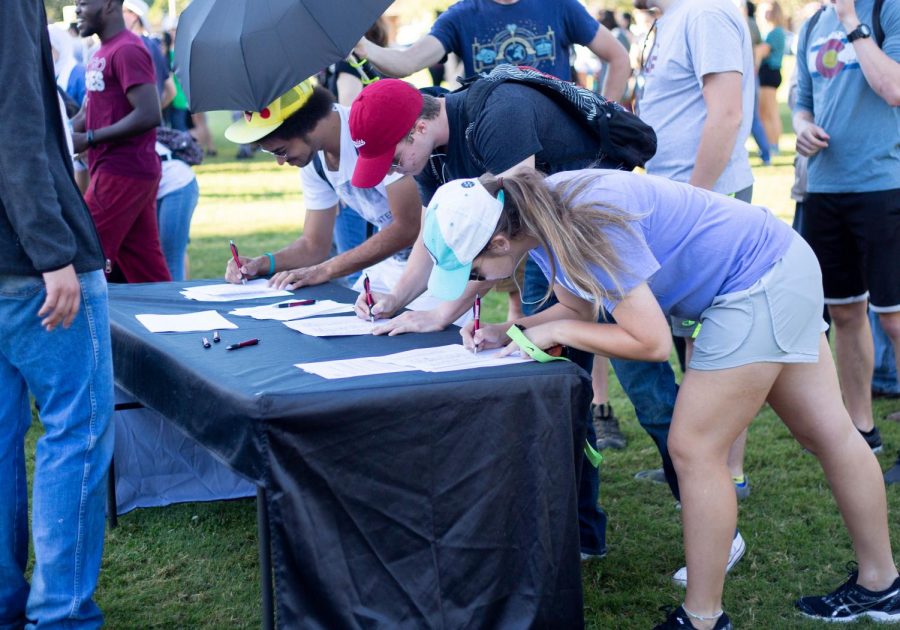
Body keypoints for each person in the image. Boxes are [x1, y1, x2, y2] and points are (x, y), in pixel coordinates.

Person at [423, 169, 900, 629]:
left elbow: (649, 342)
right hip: (779, 261)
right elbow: (577, 306)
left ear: (500, 243)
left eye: (473, 267)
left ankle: (703, 619)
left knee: (694, 448)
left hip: (755, 280)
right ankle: (882, 586)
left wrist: (561, 329)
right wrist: (510, 329)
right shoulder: (540, 211)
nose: (476, 278)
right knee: (829, 432)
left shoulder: (580, 220)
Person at [347, 77, 677, 563]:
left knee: (638, 379)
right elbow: (434, 231)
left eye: (393, 157)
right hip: (552, 252)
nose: (393, 169)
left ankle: (693, 486)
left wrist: (443, 311)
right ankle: (583, 532)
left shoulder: (497, 116)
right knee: (561, 388)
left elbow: (499, 237)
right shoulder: (431, 153)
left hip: (594, 243)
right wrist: (399, 298)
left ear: (417, 128)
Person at [0, 1, 114, 626]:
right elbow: (14, 117)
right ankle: (61, 616)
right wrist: (51, 248)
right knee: (76, 431)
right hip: (27, 258)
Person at [634, 0, 756, 505]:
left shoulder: (705, 11)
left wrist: (694, 200)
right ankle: (708, 461)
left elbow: (726, 114)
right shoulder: (673, 18)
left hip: (705, 203)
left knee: (717, 343)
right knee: (695, 340)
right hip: (681, 202)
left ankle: (729, 473)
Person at [793, 0, 900, 454]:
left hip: (884, 185)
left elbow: (893, 88)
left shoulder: (887, 10)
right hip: (825, 190)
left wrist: (854, 23)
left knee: (894, 318)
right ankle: (862, 432)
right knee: (844, 313)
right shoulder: (812, 24)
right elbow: (803, 104)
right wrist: (802, 130)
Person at [221, 82, 422, 294]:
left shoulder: (368, 130)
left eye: (281, 150)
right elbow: (313, 245)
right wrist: (261, 264)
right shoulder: (314, 160)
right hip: (391, 269)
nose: (280, 162)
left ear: (309, 125)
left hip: (432, 269)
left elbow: (408, 227)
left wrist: (325, 270)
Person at [72, 0, 171, 283]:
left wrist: (90, 139)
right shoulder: (98, 52)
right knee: (146, 270)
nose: (77, 10)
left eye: (83, 3)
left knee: (85, 255)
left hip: (123, 171)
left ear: (110, 4)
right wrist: (64, 132)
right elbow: (86, 111)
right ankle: (175, 320)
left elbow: (150, 113)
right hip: (118, 170)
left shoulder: (128, 48)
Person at [756, 1, 786, 154]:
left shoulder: (775, 33)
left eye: (769, 11)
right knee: (769, 111)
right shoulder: (775, 32)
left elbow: (762, 52)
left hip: (769, 73)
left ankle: (772, 145)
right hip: (770, 73)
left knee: (767, 112)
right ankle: (772, 144)